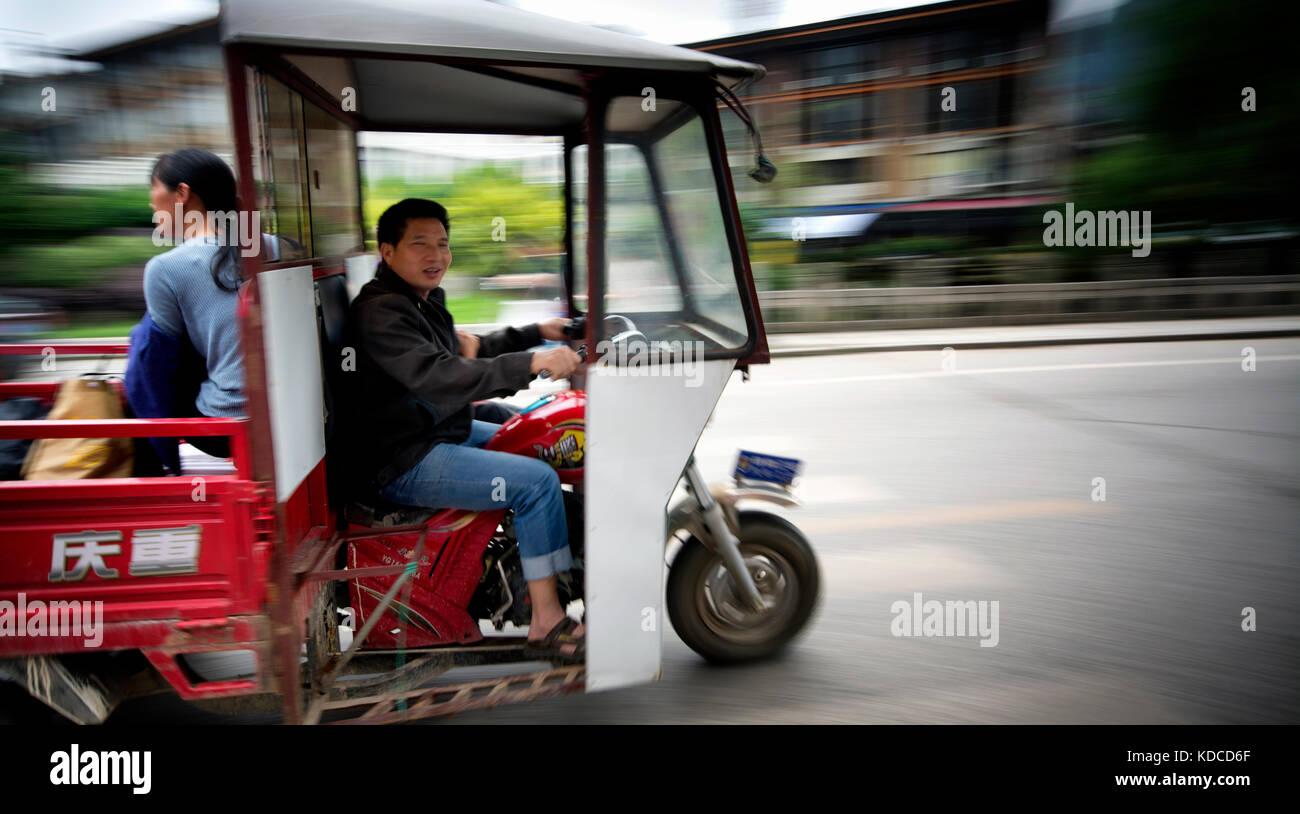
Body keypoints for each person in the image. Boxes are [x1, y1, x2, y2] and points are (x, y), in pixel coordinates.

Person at [346, 198, 585, 658]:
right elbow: (439, 375)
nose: (435, 255)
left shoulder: (422, 299)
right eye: (420, 244)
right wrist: (532, 362)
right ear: (387, 251)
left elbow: (467, 350)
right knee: (536, 481)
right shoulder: (381, 313)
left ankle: (533, 559)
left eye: (442, 244)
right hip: (400, 458)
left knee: (531, 431)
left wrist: (540, 331)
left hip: (426, 429)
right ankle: (546, 620)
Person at [134, 148, 247, 461]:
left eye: (152, 189)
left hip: (227, 428)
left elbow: (158, 366)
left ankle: (163, 465)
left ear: (182, 193)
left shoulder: (165, 267)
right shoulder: (276, 247)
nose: (150, 203)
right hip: (296, 419)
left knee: (147, 345)